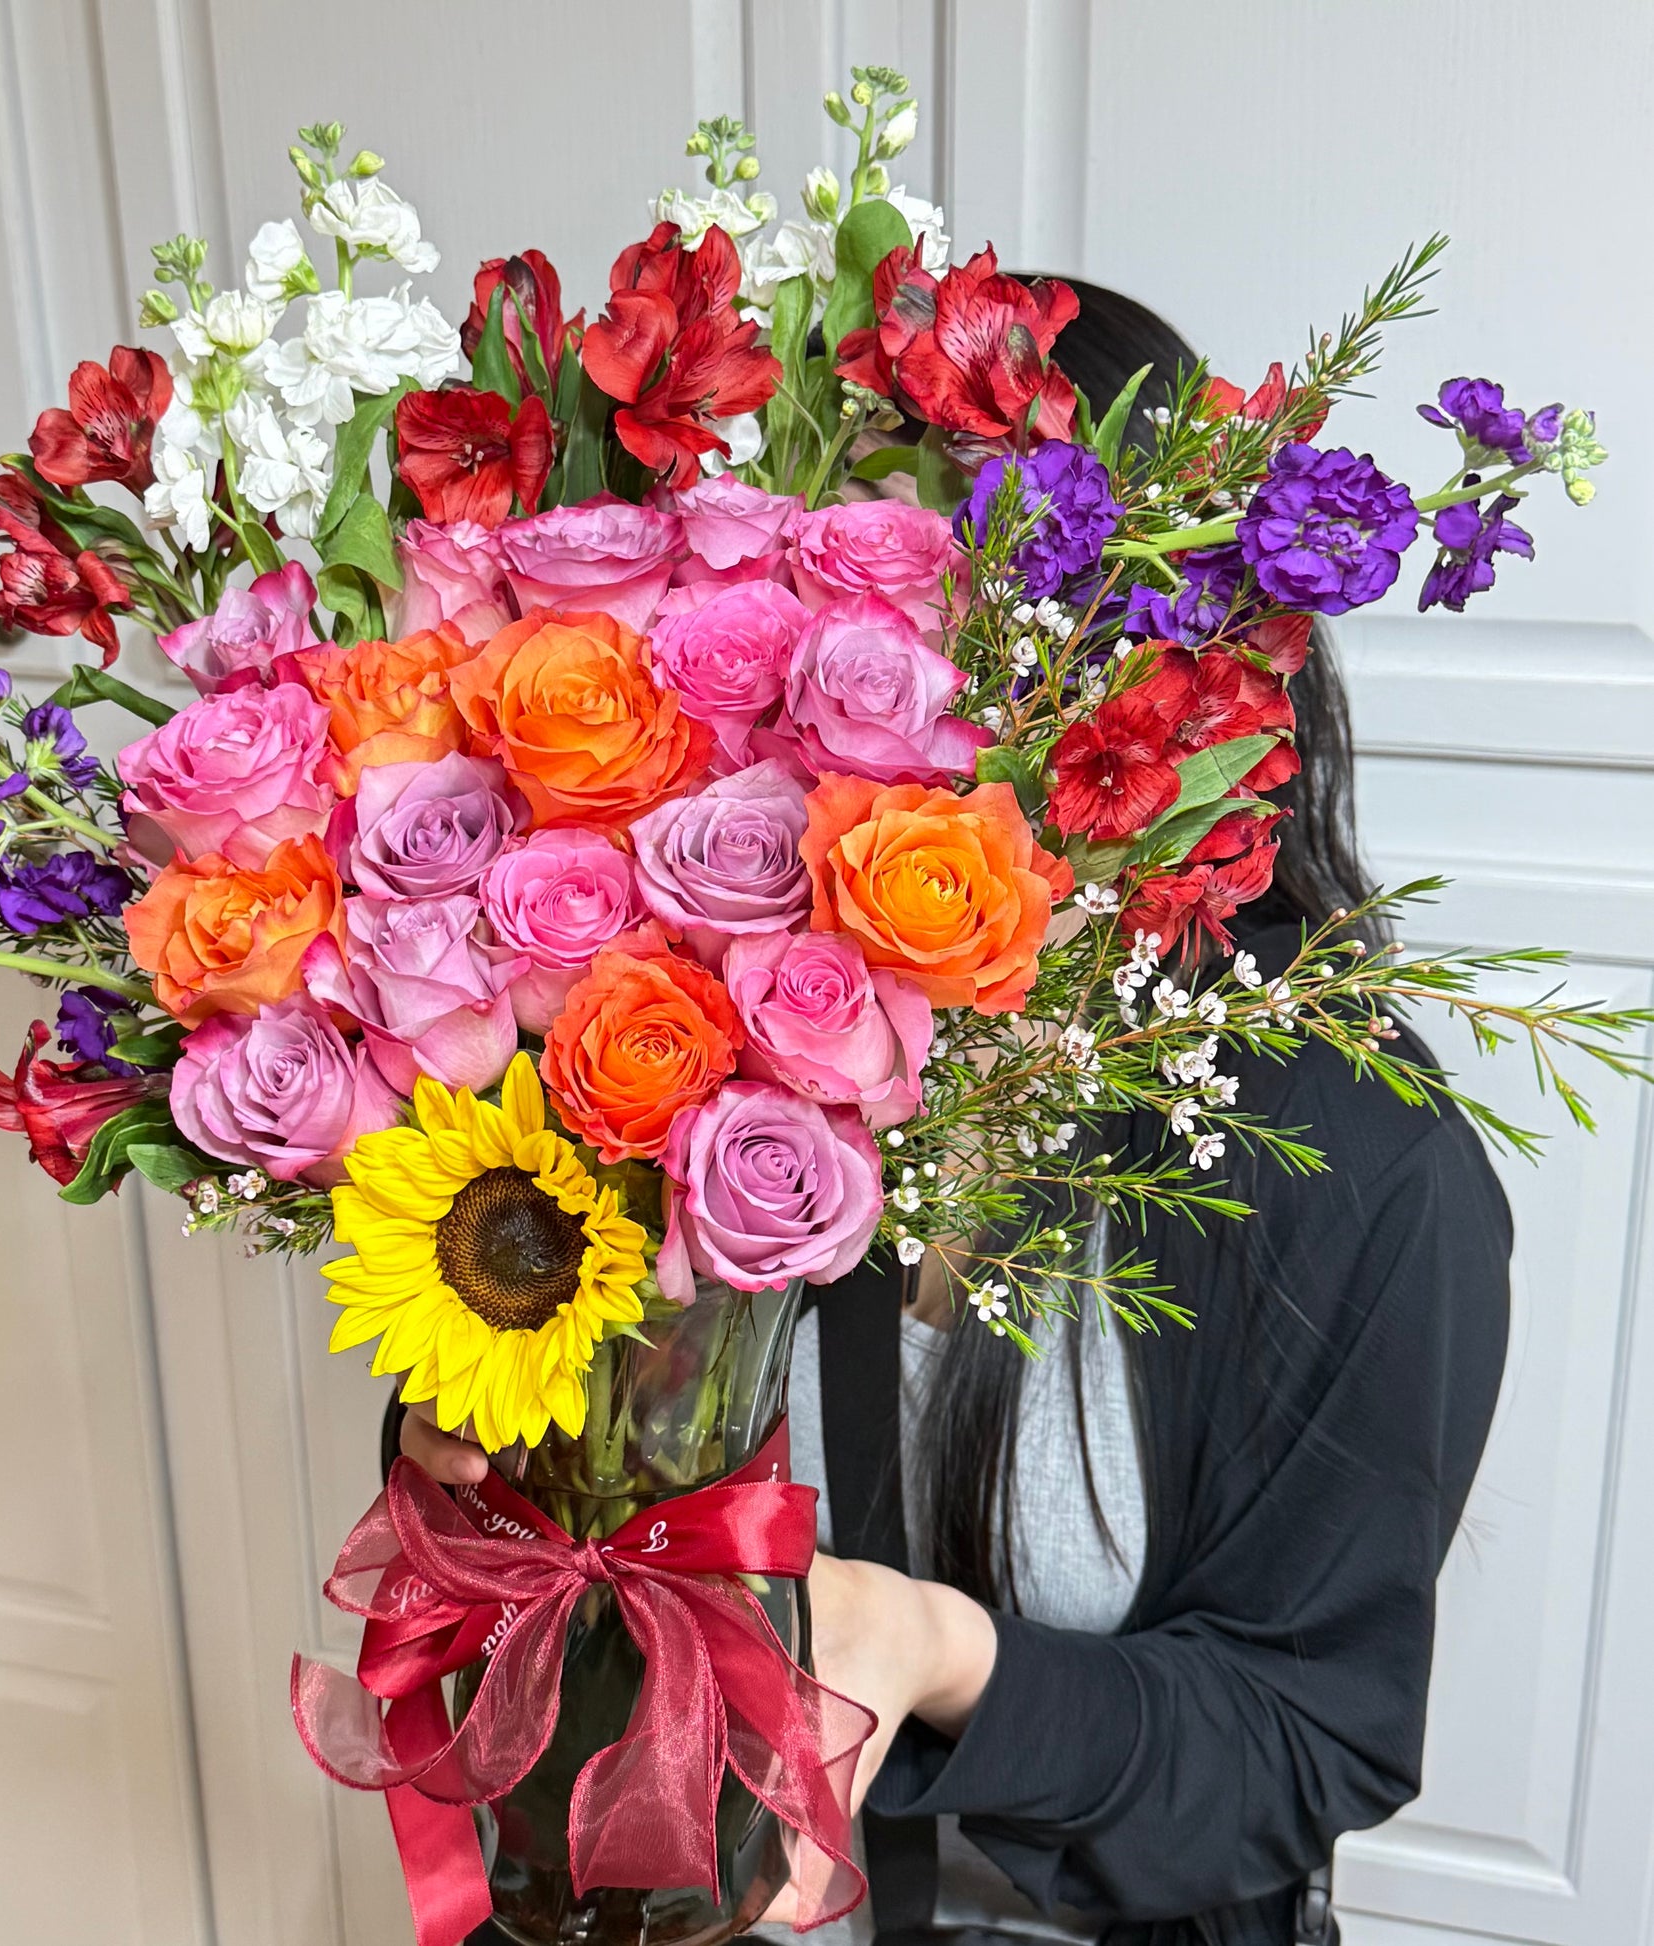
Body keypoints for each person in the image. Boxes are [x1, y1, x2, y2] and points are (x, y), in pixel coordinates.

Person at [393, 283, 1514, 1946]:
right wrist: (483, 1496)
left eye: (937, 644)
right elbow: (547, 1564)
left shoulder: (1354, 1166)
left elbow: (1309, 1733)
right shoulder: (640, 1039)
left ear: (1174, 690)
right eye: (807, 645)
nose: (869, 723)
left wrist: (937, 1655)